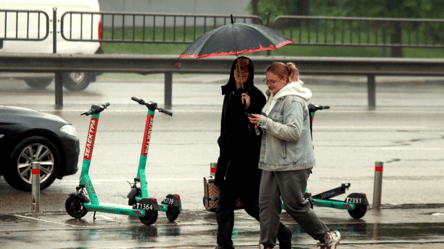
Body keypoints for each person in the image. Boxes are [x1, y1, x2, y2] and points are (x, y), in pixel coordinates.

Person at [248, 62, 341, 249]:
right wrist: (258, 123)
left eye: (273, 81)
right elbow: (272, 128)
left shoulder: (292, 101)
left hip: (293, 163)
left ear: (284, 80)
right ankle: (266, 244)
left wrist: (265, 122)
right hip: (271, 161)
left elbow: (293, 133)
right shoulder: (273, 98)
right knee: (266, 206)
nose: (269, 85)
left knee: (295, 206)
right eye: (267, 81)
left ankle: (326, 236)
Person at [214, 57, 292, 249]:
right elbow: (226, 128)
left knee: (251, 205)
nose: (242, 72)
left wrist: (248, 108)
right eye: (238, 68)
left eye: (246, 69)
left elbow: (259, 129)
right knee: (224, 206)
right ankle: (224, 245)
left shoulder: (256, 96)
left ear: (251, 72)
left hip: (247, 160)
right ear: (232, 71)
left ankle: (282, 232)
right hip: (229, 159)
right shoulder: (230, 93)